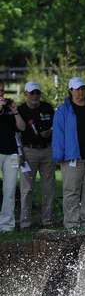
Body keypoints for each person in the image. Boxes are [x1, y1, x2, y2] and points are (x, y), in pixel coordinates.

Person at [52, 77, 85, 229]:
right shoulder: (63, 110)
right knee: (72, 190)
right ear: (70, 91)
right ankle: (72, 225)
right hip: (72, 157)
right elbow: (58, 135)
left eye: (82, 88)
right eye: (76, 89)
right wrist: (59, 157)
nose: (80, 91)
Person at [18, 81, 56, 230]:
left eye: (37, 92)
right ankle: (25, 223)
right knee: (27, 188)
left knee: (49, 187)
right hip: (29, 151)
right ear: (25, 94)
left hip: (47, 150)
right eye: (32, 92)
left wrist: (50, 132)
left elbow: (55, 125)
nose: (35, 95)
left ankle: (47, 221)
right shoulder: (20, 110)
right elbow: (16, 131)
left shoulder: (47, 107)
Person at [0, 80, 26, 232]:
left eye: (3, 90)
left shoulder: (10, 105)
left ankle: (6, 225)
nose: (1, 93)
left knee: (9, 191)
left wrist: (15, 111)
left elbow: (22, 127)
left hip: (11, 154)